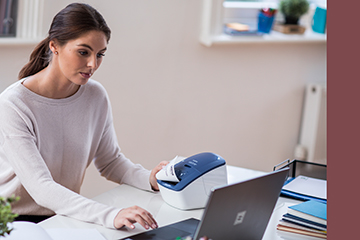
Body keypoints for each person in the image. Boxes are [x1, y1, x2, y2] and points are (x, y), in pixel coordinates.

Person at [0, 3, 169, 230]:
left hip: (63, 216)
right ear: (54, 46)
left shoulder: (95, 95)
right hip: (13, 222)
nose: (92, 64)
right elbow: (41, 187)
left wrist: (150, 179)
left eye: (100, 55)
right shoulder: (14, 104)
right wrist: (111, 215)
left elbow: (110, 161)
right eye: (83, 52)